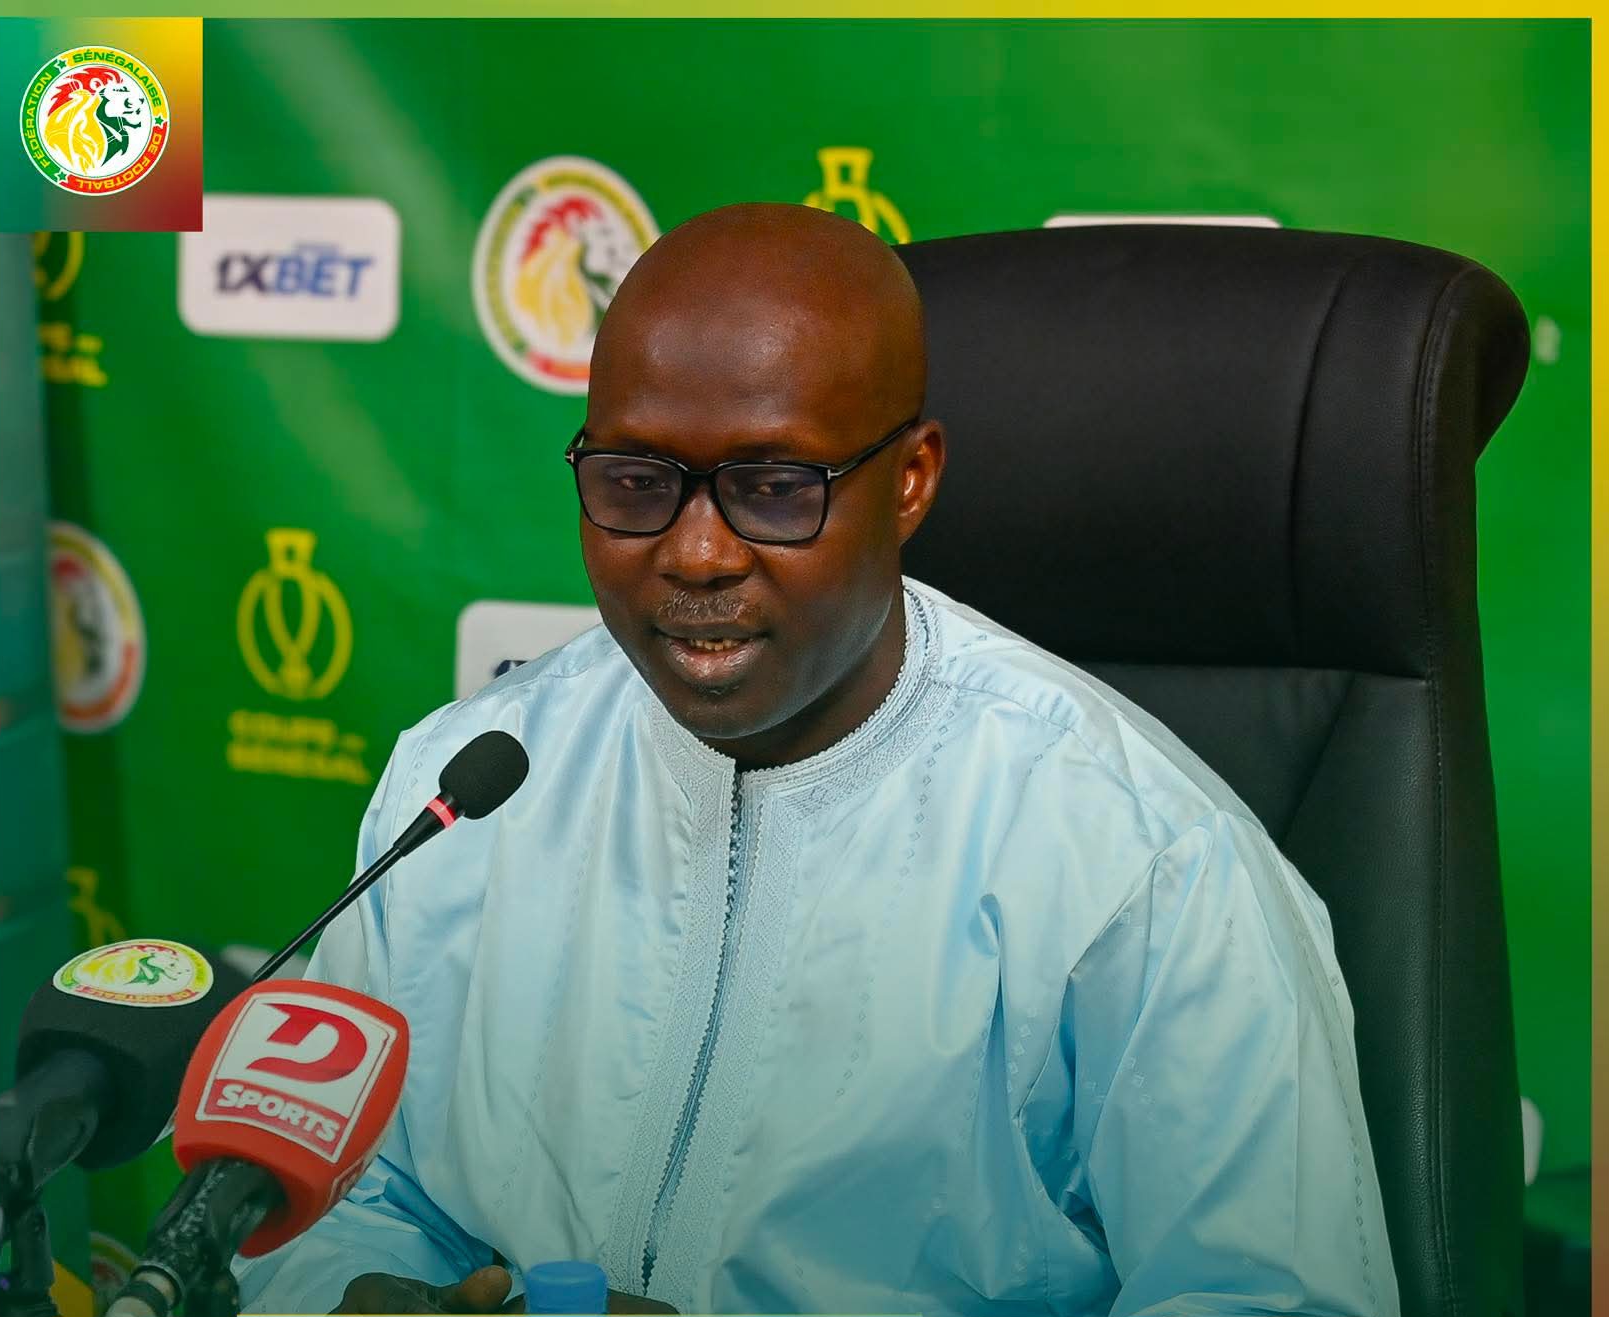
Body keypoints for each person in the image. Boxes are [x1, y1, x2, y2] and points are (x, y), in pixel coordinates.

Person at [237, 203, 1400, 1316]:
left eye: (772, 489)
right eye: (637, 482)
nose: (696, 553)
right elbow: (333, 1203)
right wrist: (348, 1295)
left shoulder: (1147, 863)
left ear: (911, 480)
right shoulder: (464, 788)